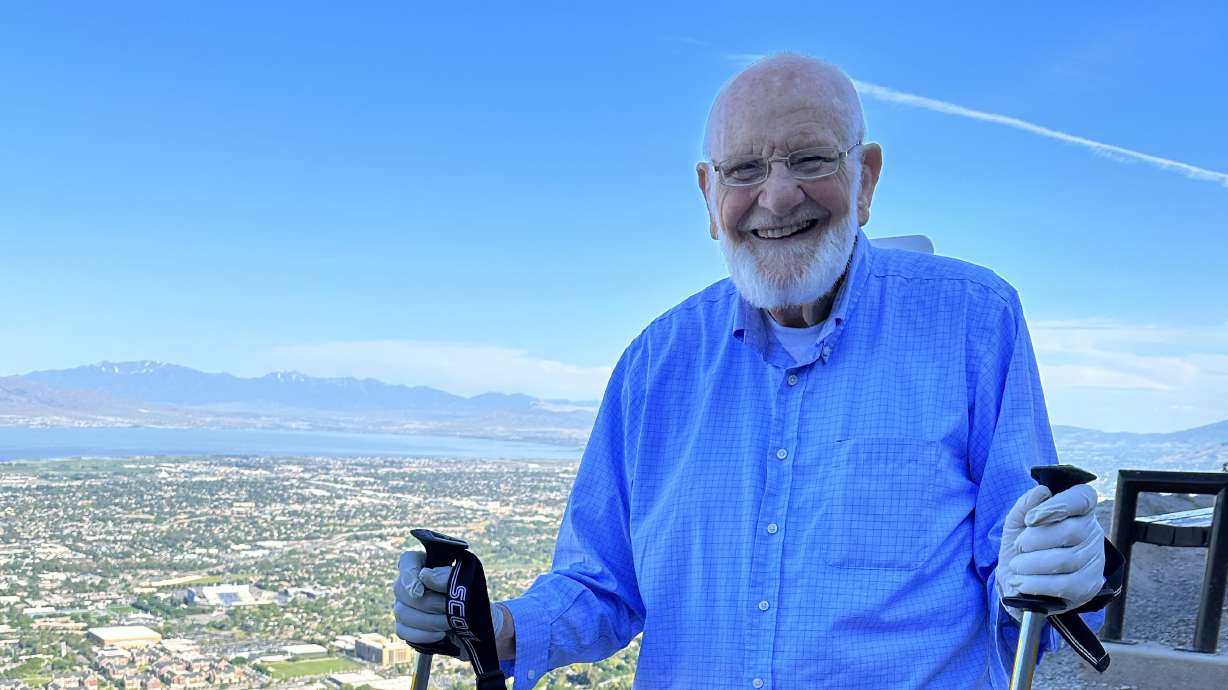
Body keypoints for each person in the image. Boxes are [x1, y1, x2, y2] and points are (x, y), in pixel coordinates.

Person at [393, 53, 1113, 689]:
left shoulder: (974, 322)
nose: (776, 197)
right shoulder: (655, 364)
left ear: (865, 180)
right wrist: (490, 625)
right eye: (744, 170)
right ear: (710, 195)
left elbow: (1024, 575)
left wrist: (1067, 569)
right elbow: (602, 584)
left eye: (810, 160)